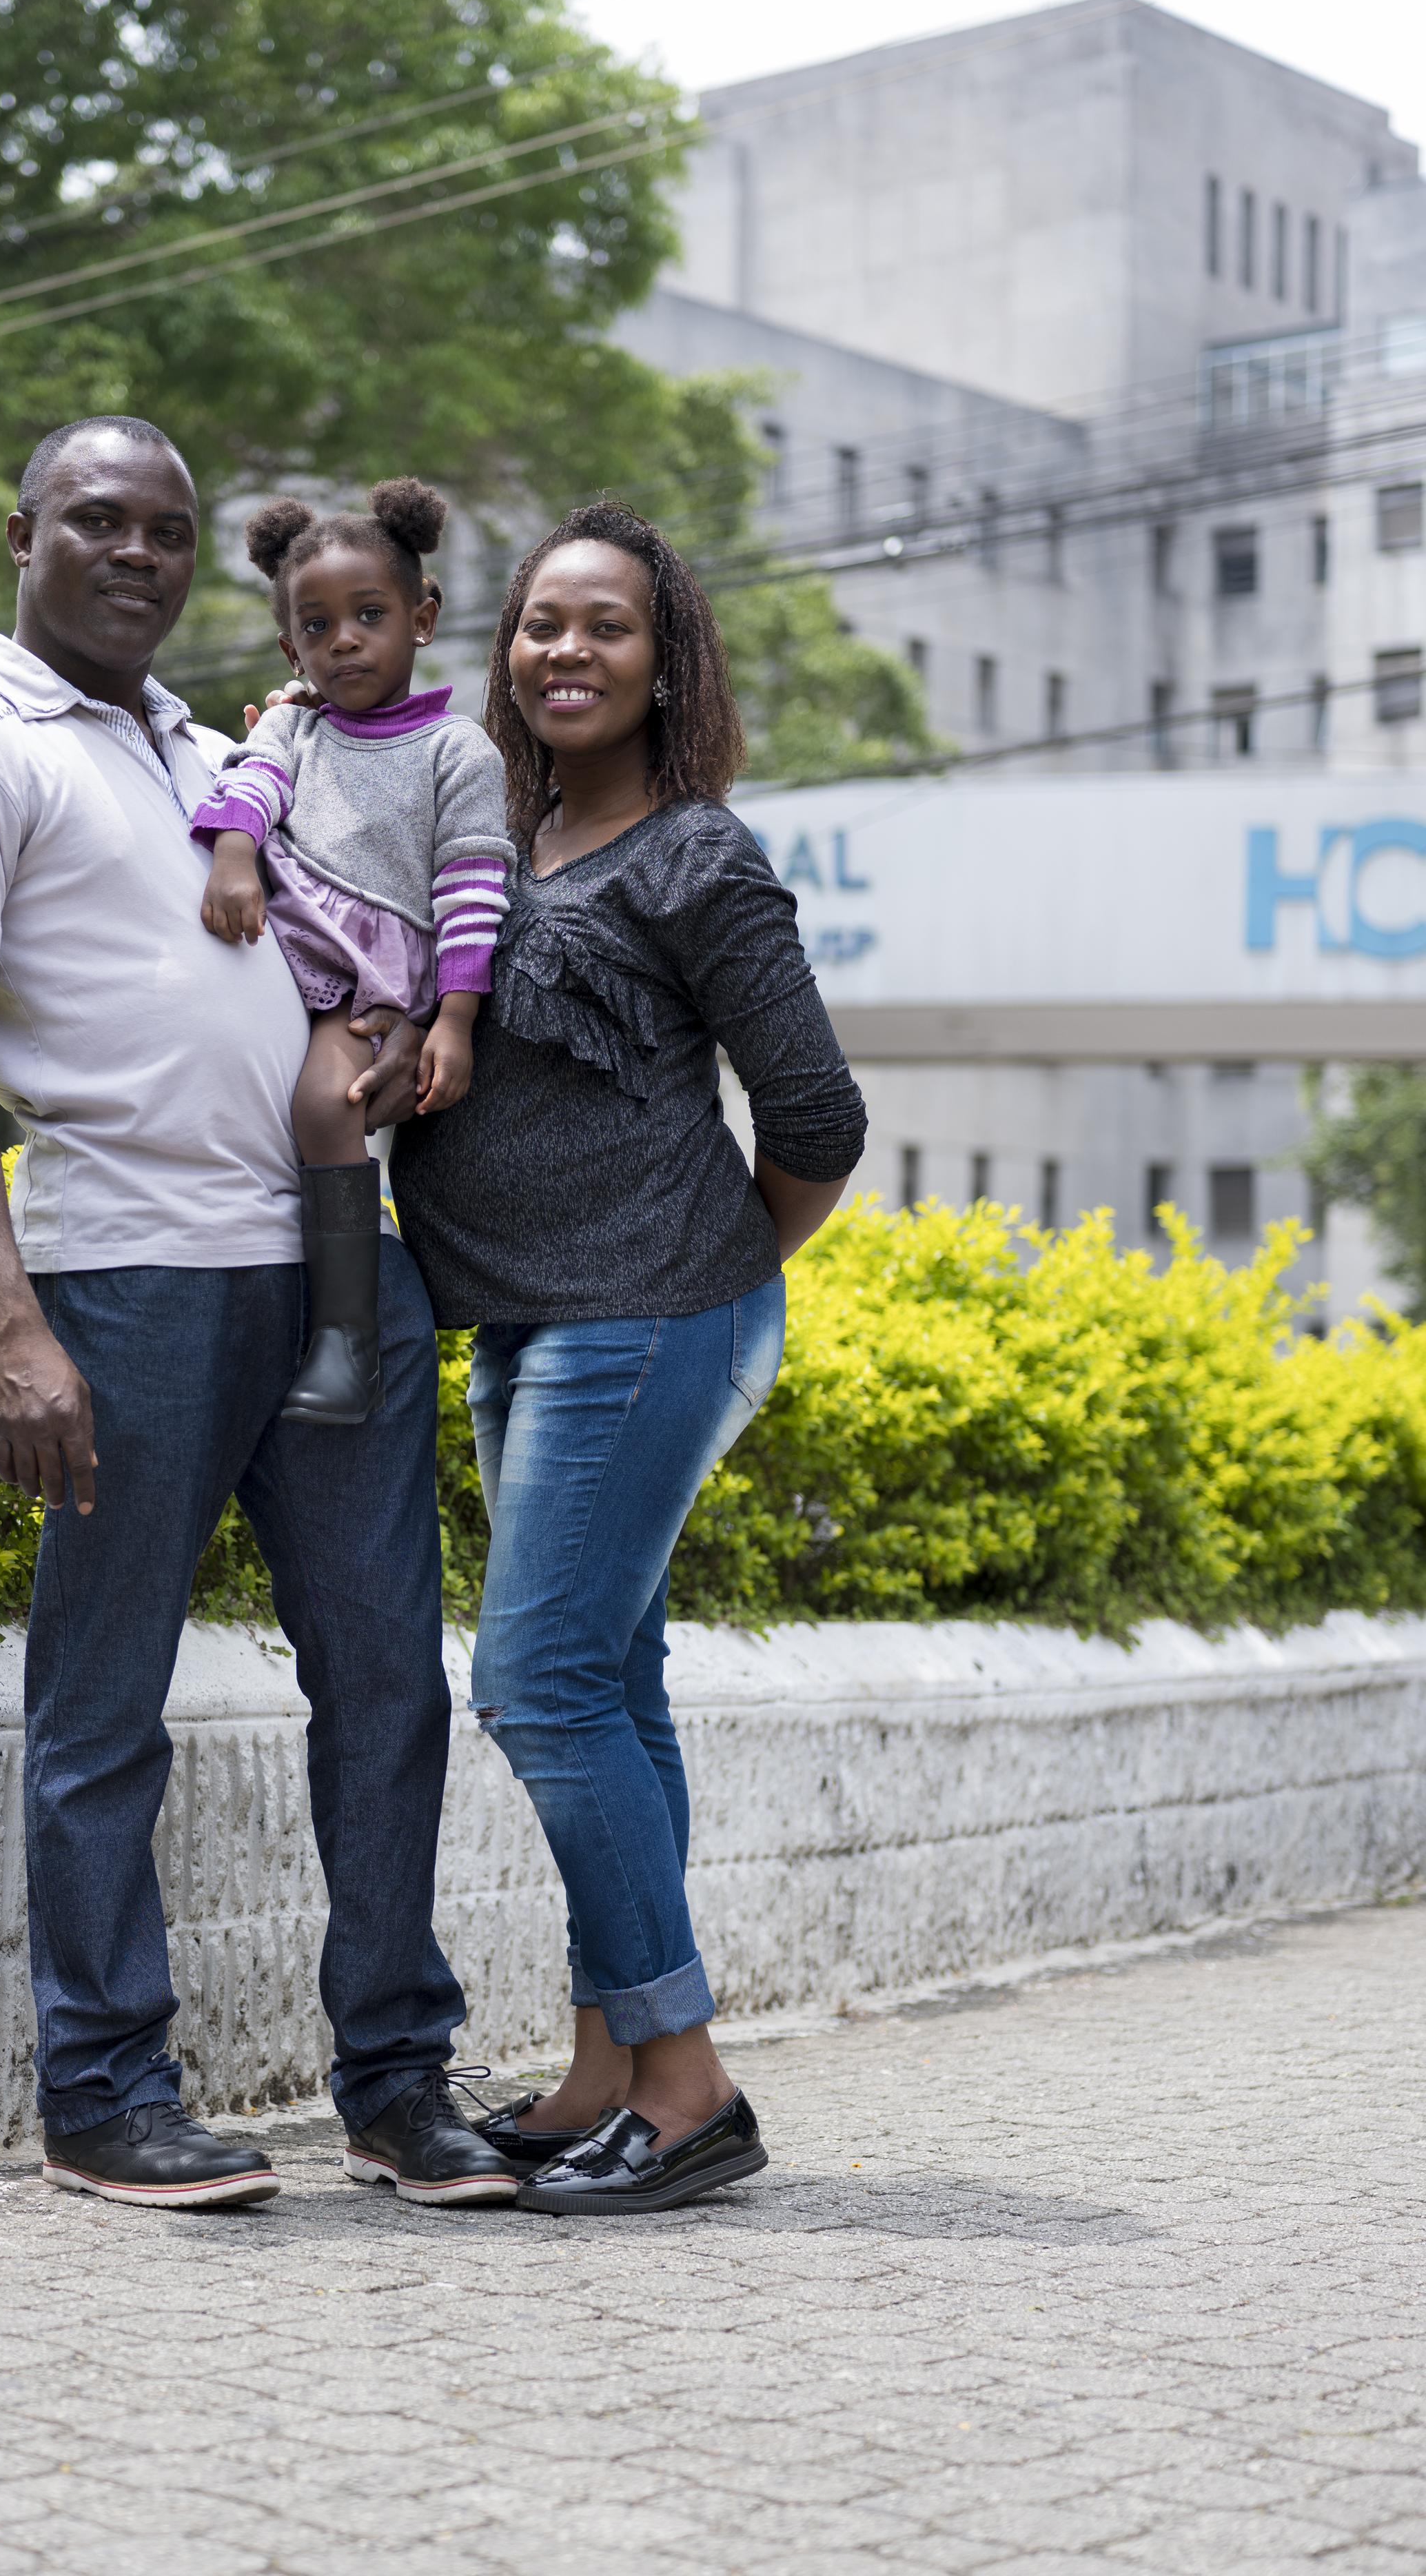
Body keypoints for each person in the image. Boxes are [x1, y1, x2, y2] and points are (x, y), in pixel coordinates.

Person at [0, 414, 520, 2212]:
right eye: (100, 521)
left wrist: (388, 1040)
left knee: (389, 1686)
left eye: (166, 527)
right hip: (130, 1275)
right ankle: (101, 2091)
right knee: (106, 1703)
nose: (139, 552)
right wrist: (13, 1327)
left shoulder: (231, 743)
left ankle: (397, 2082)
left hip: (337, 1262)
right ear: (24, 533)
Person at [389, 500, 868, 2218]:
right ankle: (604, 2067)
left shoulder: (695, 857)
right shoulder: (491, 838)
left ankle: (687, 2084)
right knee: (615, 1688)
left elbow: (817, 1115)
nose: (564, 651)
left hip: (645, 1313)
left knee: (536, 1685)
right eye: (538, 625)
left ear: (666, 661)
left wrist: (697, 1265)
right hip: (528, 1322)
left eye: (604, 626)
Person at [189, 478, 513, 1425]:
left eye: (369, 615)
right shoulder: (291, 724)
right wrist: (237, 852)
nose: (344, 641)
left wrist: (453, 1019)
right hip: (286, 962)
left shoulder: (459, 751)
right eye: (318, 625)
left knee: (326, 1104)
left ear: (422, 617)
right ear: (291, 645)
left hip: (370, 985)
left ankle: (345, 1340)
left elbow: (472, 887)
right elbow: (251, 784)